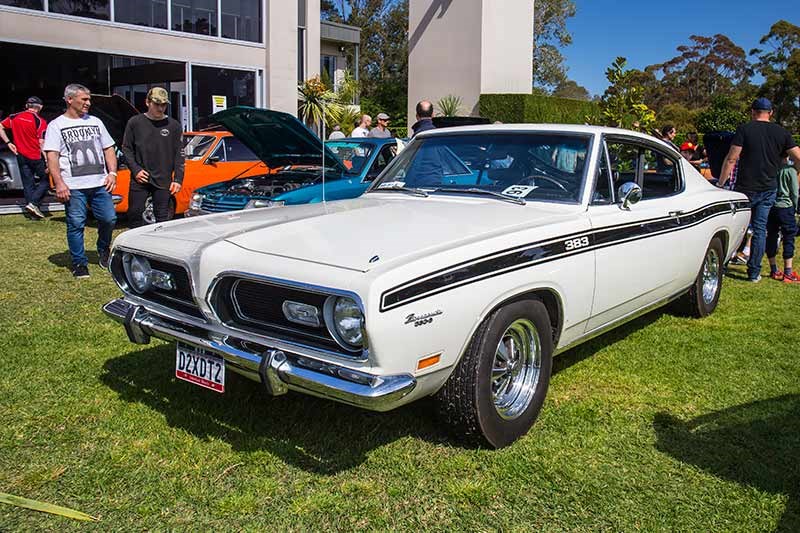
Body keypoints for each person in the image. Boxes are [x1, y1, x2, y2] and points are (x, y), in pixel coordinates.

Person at [718, 98, 800, 282]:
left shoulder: (745, 129)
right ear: (770, 112)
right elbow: (798, 157)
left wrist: (721, 184)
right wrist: (793, 172)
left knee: (737, 226)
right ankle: (753, 272)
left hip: (745, 187)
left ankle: (722, 265)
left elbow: (732, 159)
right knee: (760, 229)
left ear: (753, 111)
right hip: (768, 188)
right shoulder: (782, 132)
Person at [44, 83, 118, 279]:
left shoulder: (96, 121)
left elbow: (108, 148)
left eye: (89, 99)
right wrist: (59, 183)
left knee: (109, 219)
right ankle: (79, 262)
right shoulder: (56, 125)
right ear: (70, 99)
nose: (88, 103)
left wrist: (112, 173)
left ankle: (103, 250)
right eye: (84, 99)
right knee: (76, 223)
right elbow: (52, 156)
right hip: (73, 186)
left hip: (100, 183)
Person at [122, 87, 184, 228]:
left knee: (162, 216)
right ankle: (135, 246)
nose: (160, 108)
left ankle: (159, 246)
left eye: (164, 105)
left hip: (163, 177)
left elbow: (179, 154)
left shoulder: (174, 125)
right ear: (147, 102)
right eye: (157, 104)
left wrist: (178, 179)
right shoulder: (135, 122)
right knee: (135, 213)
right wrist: (136, 170)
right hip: (140, 177)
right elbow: (126, 149)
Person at [0, 96, 49, 219]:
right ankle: (34, 203)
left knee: (28, 183)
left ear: (27, 106)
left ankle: (32, 213)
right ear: (40, 107)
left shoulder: (14, 117)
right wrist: (47, 159)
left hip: (20, 155)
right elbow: (41, 142)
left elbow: (0, 126)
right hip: (36, 156)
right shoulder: (40, 121)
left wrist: (8, 143)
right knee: (47, 180)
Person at [765, 154, 799, 283]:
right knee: (789, 237)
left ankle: (774, 269)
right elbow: (794, 192)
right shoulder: (790, 170)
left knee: (772, 236)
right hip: (786, 206)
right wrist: (795, 208)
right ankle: (788, 272)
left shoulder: (771, 169)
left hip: (772, 206)